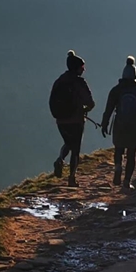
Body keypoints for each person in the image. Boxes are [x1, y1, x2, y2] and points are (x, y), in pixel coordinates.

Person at [101, 56, 136, 191]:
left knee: (119, 148)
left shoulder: (116, 90)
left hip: (119, 124)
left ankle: (118, 166)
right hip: (135, 125)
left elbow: (108, 109)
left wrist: (104, 123)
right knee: (131, 153)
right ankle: (127, 181)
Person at [49, 50, 95, 187]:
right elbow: (91, 103)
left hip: (61, 120)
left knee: (68, 142)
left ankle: (60, 159)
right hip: (76, 120)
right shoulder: (80, 83)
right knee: (75, 149)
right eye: (82, 67)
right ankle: (72, 178)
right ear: (77, 68)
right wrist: (84, 110)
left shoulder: (59, 81)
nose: (84, 69)